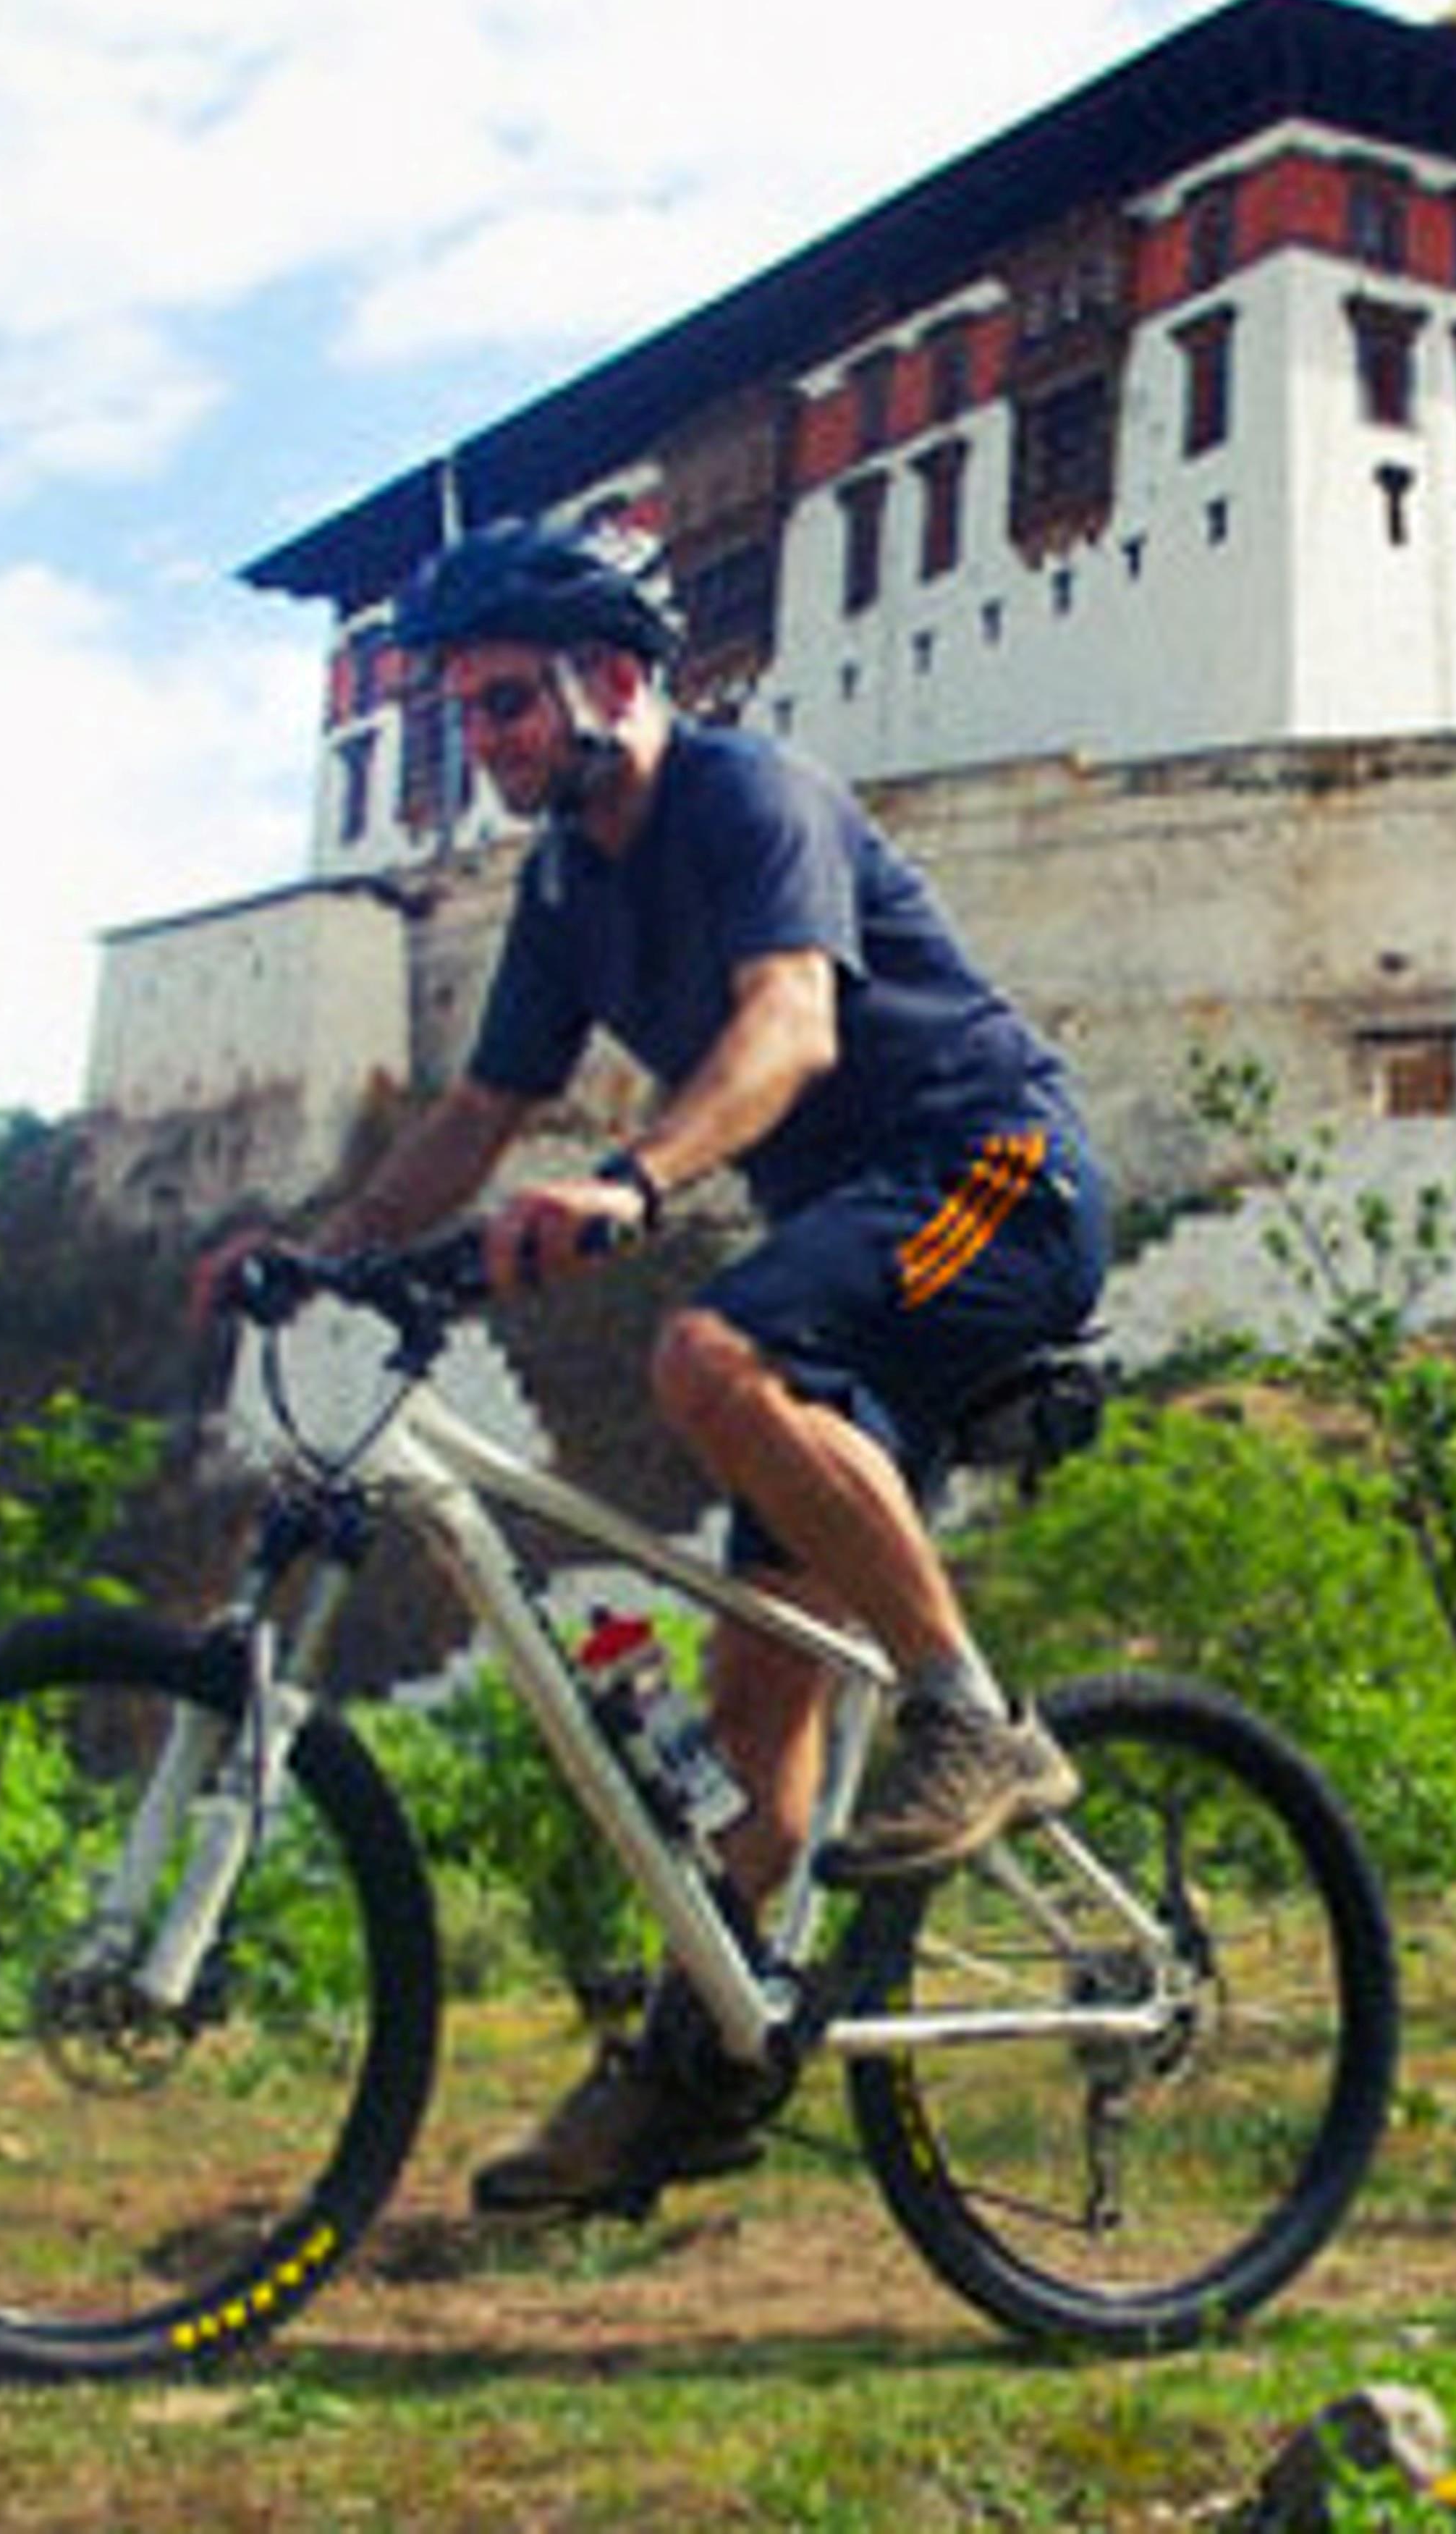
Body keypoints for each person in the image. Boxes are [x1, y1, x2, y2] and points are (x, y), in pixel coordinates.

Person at [205, 512, 1109, 2209]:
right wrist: (319, 1252)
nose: (481, 747)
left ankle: (978, 1720)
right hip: (855, 1251)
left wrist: (632, 1180)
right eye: (464, 715)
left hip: (996, 1178)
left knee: (707, 1353)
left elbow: (792, 1023)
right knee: (749, 1704)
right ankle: (705, 2069)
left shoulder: (748, 797)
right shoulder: (562, 888)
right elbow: (476, 1115)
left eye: (501, 706)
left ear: (616, 678)